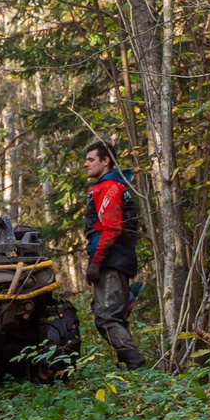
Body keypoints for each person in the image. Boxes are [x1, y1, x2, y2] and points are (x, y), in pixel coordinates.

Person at [84, 140, 148, 368]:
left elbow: (111, 228)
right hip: (116, 259)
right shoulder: (111, 186)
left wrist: (96, 263)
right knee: (115, 317)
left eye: (91, 159)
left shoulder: (109, 187)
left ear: (106, 161)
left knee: (106, 318)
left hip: (112, 261)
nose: (86, 164)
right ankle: (135, 373)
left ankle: (137, 364)